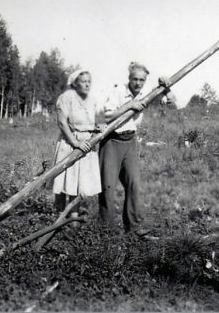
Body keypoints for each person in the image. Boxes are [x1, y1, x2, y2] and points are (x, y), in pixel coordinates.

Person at [99, 61, 176, 234]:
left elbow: (172, 103)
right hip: (112, 141)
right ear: (129, 78)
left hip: (130, 142)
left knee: (134, 184)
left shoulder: (145, 94)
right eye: (135, 79)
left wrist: (166, 87)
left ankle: (133, 227)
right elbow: (108, 115)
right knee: (107, 187)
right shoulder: (118, 91)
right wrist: (129, 105)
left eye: (142, 80)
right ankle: (106, 231)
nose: (138, 83)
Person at [52, 70, 102, 221]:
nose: (87, 84)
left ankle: (74, 216)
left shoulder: (92, 100)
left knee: (79, 181)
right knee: (64, 179)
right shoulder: (66, 97)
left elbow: (92, 122)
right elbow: (62, 122)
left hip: (87, 144)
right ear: (75, 83)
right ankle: (58, 216)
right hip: (70, 142)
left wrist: (97, 128)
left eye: (89, 81)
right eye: (83, 81)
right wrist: (75, 143)